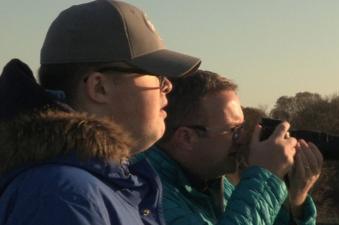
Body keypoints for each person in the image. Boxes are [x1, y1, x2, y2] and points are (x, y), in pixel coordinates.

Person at [0, 1, 200, 225]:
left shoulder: (91, 185)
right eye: (156, 74)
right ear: (99, 87)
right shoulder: (63, 195)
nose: (167, 86)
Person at [136, 70, 323, 225]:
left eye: (242, 128)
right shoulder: (147, 196)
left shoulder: (212, 184)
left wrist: (295, 201)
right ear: (186, 138)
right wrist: (266, 177)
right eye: (233, 130)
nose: (242, 139)